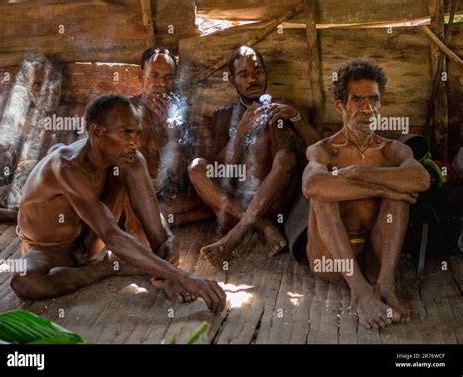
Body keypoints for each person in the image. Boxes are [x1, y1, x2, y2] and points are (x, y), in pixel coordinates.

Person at [10, 94, 226, 313]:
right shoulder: (66, 167)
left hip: (90, 244)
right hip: (50, 250)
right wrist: (187, 278)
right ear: (97, 132)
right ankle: (110, 269)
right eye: (126, 133)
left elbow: (151, 224)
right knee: (24, 281)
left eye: (137, 133)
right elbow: (111, 235)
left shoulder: (128, 158)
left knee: (132, 164)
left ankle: (161, 271)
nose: (135, 142)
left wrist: (167, 245)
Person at [302, 58, 430, 329]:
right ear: (340, 106)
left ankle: (385, 286)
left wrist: (359, 173)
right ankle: (360, 292)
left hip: (374, 257)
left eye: (373, 99)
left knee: (398, 197)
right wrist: (384, 186)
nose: (367, 108)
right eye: (357, 99)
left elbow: (421, 179)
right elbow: (312, 186)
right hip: (331, 262)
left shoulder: (391, 150)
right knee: (324, 196)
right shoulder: (325, 150)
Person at [188, 46, 321, 267]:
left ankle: (236, 235)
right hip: (233, 204)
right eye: (243, 75)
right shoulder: (224, 114)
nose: (252, 79)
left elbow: (320, 149)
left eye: (257, 71)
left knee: (285, 157)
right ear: (232, 80)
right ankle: (263, 226)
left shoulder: (286, 107)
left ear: (266, 73)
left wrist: (297, 118)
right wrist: (241, 131)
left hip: (275, 202)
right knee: (196, 167)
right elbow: (220, 167)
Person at [126, 47, 213, 234]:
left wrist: (172, 132)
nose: (162, 84)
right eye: (154, 75)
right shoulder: (125, 111)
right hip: (134, 195)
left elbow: (178, 174)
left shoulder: (182, 115)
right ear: (140, 74)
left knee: (212, 200)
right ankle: (163, 219)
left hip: (168, 195)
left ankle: (165, 219)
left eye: (169, 77)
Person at [0, 53, 83, 223]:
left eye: (51, 81)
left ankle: (20, 214)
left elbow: (85, 157)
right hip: (20, 188)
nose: (46, 90)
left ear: (60, 80)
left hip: (56, 187)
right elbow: (10, 162)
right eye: (37, 84)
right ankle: (17, 216)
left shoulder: (77, 113)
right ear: (28, 88)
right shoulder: (25, 118)